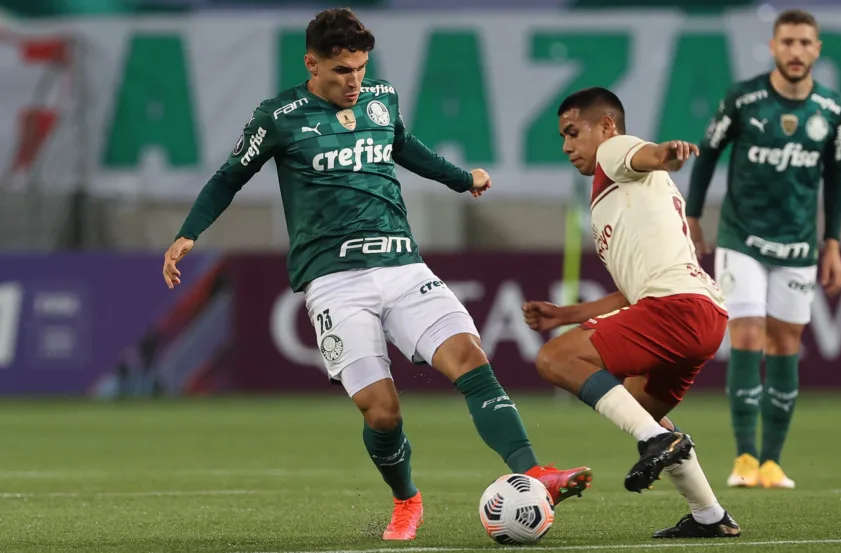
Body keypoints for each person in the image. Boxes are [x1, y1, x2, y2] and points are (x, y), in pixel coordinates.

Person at [161, 8, 591, 541]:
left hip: (403, 265)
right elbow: (229, 177)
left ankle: (534, 472)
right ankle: (406, 499)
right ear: (311, 64)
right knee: (381, 412)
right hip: (334, 280)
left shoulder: (379, 98)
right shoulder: (279, 117)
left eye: (361, 67)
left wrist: (461, 179)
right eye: (342, 70)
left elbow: (404, 147)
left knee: (471, 360)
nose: (354, 80)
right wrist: (188, 233)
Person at [522, 86, 740, 539]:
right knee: (638, 406)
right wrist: (565, 315)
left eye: (572, 132)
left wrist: (666, 154)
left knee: (555, 360)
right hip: (703, 315)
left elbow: (644, 153)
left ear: (605, 126)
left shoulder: (613, 152)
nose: (566, 146)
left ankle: (657, 441)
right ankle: (710, 516)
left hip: (675, 309)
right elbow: (629, 293)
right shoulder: (620, 193)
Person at [685, 8, 841, 490]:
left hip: (798, 243)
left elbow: (837, 178)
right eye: (788, 42)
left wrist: (832, 243)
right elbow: (708, 152)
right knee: (748, 333)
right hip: (742, 237)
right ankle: (744, 457)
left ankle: (773, 462)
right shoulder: (744, 99)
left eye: (805, 43)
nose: (796, 51)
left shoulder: (833, 109)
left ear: (817, 49)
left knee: (785, 343)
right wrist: (694, 216)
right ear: (774, 47)